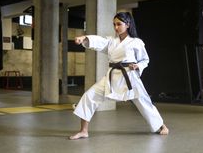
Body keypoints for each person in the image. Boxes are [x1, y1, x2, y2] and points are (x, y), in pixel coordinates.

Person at [69, 12, 169, 140]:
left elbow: (145, 60)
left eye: (119, 24)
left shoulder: (136, 42)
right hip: (111, 77)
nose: (116, 27)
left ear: (127, 24)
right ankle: (83, 131)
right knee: (89, 96)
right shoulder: (111, 41)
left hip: (129, 77)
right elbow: (100, 42)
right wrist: (85, 38)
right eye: (114, 24)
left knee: (144, 103)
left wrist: (138, 66)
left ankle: (161, 126)